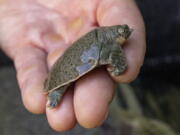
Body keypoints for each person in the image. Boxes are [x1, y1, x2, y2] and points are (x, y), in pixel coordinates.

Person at [0, 0, 146, 132]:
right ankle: (56, 92)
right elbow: (116, 54)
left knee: (88, 108)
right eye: (122, 32)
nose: (126, 33)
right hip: (74, 60)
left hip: (79, 52)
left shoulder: (108, 37)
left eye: (124, 30)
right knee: (66, 80)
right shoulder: (112, 44)